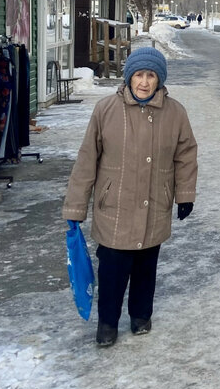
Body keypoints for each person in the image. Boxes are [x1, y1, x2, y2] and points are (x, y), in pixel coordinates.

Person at [62, 47, 198, 346]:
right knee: (113, 271)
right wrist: (75, 208)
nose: (145, 82)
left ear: (159, 80)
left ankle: (140, 316)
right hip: (115, 208)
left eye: (151, 76)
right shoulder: (106, 110)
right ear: (129, 77)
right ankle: (107, 324)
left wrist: (184, 194)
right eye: (139, 75)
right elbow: (87, 160)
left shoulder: (175, 113)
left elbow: (185, 155)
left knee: (145, 268)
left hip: (155, 206)